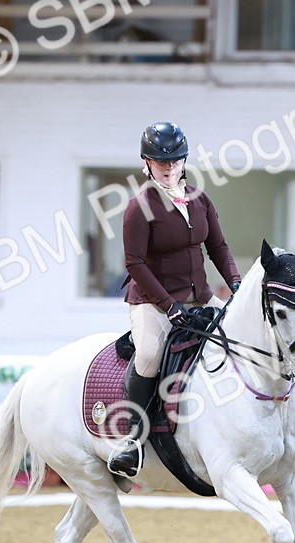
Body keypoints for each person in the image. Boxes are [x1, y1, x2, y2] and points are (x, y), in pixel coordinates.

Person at [108, 122, 242, 478]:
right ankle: (132, 440)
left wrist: (236, 282)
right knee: (150, 355)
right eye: (159, 162)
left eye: (174, 161)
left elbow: (218, 247)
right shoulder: (139, 207)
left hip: (200, 297)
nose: (168, 168)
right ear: (146, 163)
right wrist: (168, 306)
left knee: (238, 339)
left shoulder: (200, 199)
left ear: (184, 161)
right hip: (152, 302)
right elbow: (134, 263)